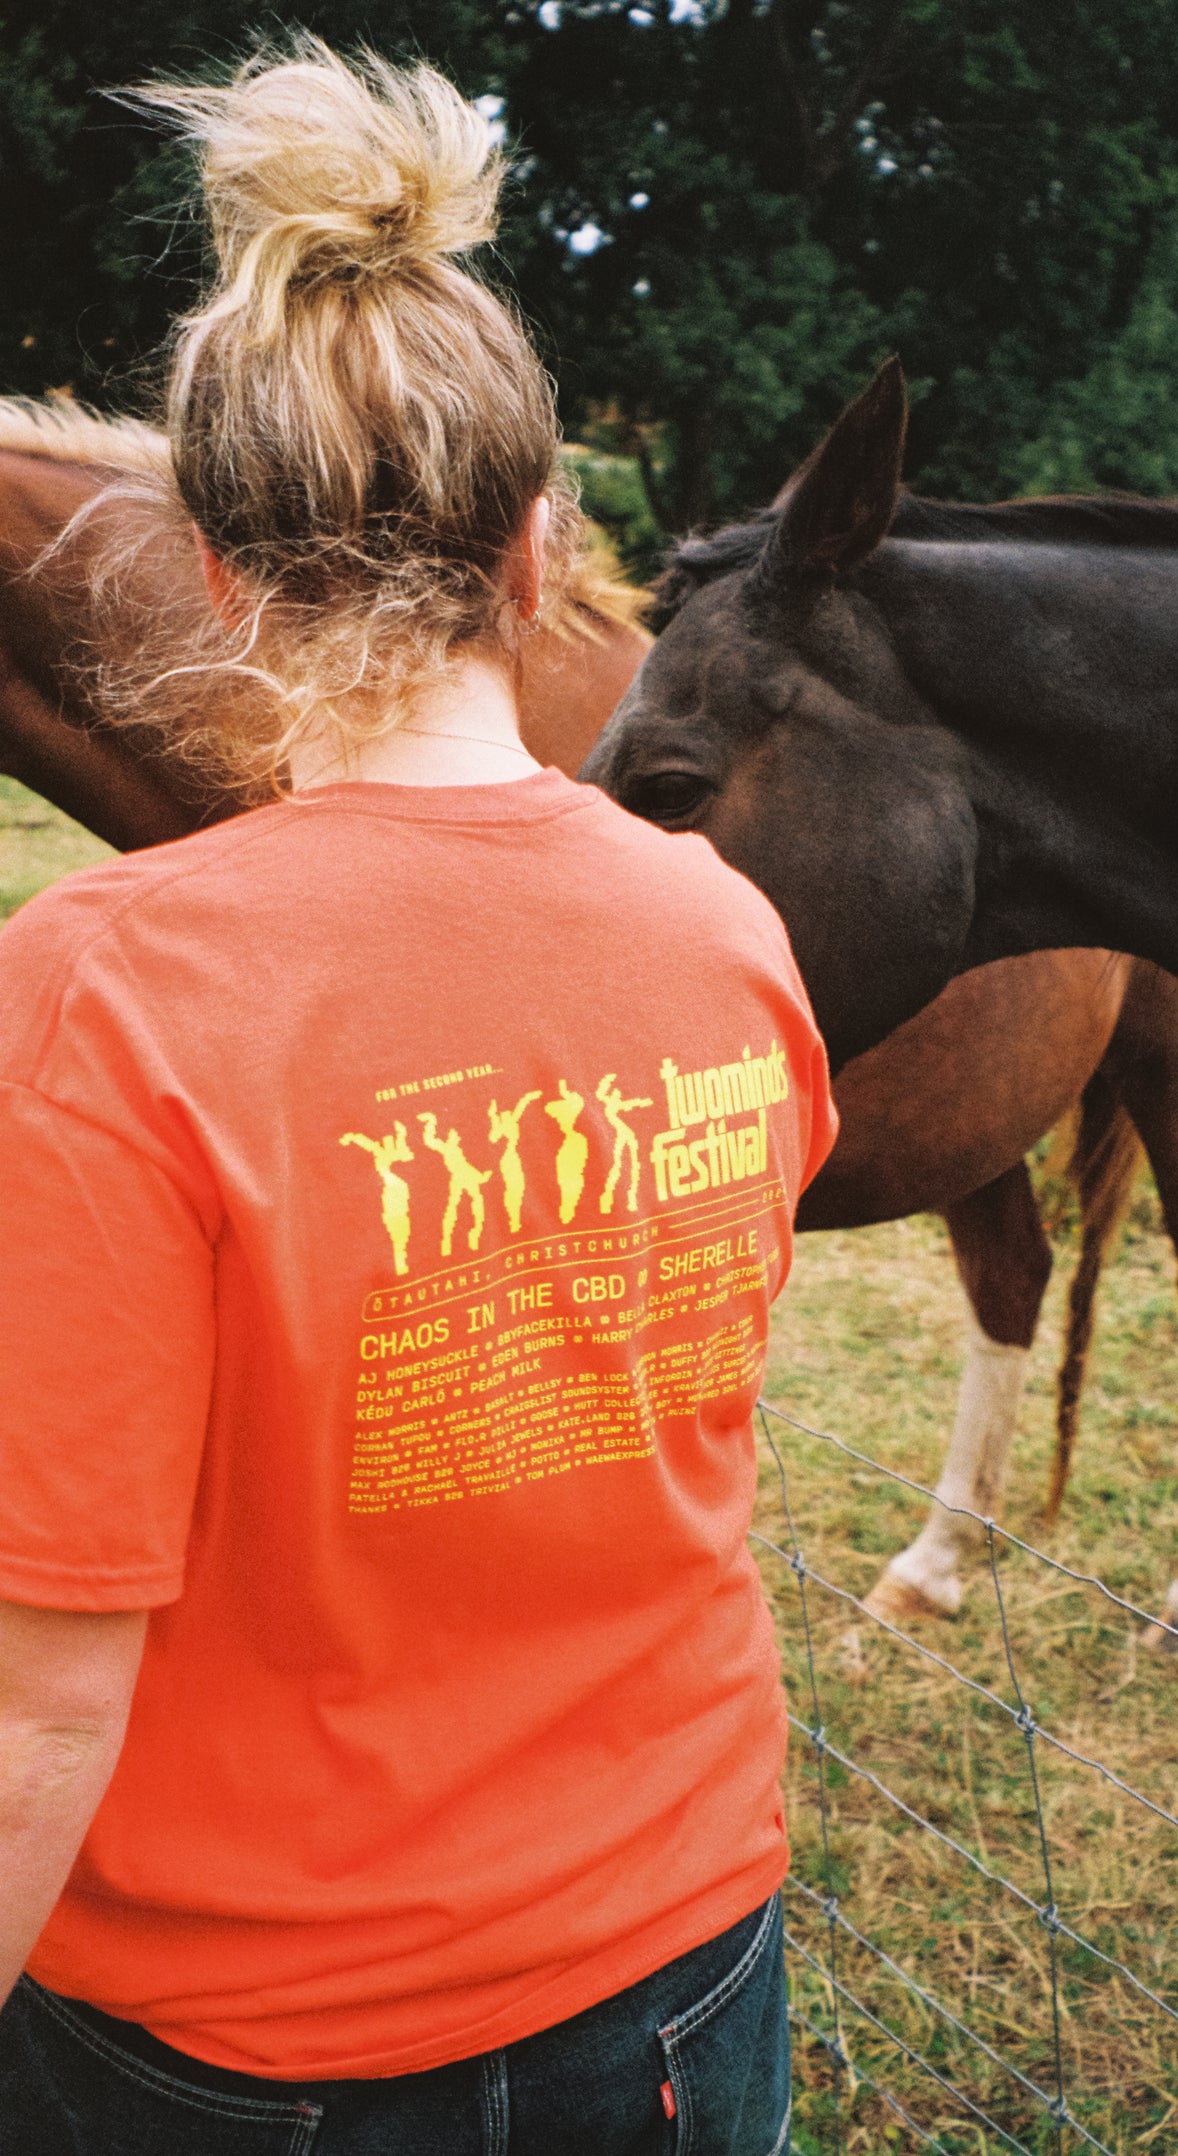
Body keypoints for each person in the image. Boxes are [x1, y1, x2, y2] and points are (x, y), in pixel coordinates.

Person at [0, 41, 835, 2156]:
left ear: (208, 565)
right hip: (691, 1972)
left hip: (236, 2054)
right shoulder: (726, 935)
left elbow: (38, 1701)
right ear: (543, 551)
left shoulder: (102, 992)